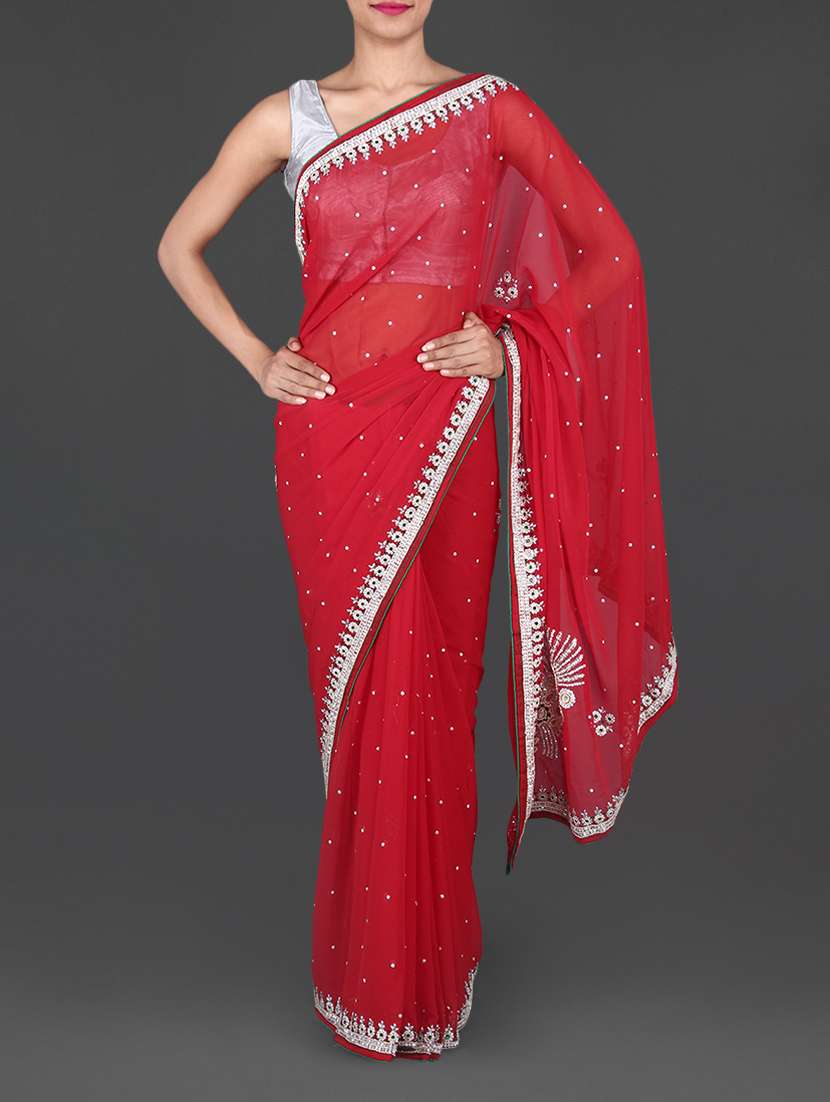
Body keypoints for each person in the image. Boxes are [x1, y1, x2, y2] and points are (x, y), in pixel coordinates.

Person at [157, 0, 678, 1062]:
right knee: (365, 703)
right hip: (331, 449)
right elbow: (179, 244)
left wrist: (511, 340)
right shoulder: (289, 118)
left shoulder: (492, 109)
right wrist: (259, 358)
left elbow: (611, 254)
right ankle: (369, 977)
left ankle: (426, 974)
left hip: (445, 438)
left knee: (434, 690)